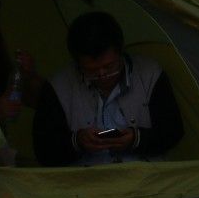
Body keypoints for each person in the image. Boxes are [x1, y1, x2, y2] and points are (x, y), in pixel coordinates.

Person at [32, 11, 183, 166]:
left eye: (109, 66)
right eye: (92, 70)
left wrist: (136, 138)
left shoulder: (149, 74)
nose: (102, 75)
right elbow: (44, 150)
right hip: (82, 183)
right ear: (78, 64)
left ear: (120, 53)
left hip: (144, 177)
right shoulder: (59, 86)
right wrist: (77, 141)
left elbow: (172, 131)